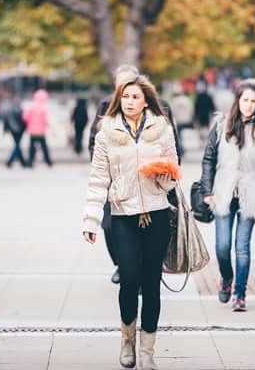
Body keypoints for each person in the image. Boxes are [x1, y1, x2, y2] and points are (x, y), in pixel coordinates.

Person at [82, 74, 178, 370]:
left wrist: (163, 177)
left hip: (157, 214)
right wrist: (91, 218)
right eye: (125, 97)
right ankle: (127, 339)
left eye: (136, 97)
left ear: (146, 100)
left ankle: (147, 351)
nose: (130, 102)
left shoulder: (162, 130)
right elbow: (98, 179)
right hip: (123, 215)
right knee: (129, 279)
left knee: (151, 284)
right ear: (118, 99)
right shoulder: (105, 134)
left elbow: (174, 170)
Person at [88, 64, 181, 285]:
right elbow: (94, 146)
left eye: (134, 93)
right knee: (110, 230)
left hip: (154, 198)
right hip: (120, 191)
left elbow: (172, 152)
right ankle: (123, 266)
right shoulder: (105, 111)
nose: (128, 99)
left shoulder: (162, 115)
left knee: (151, 277)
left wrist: (167, 176)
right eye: (122, 91)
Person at [199, 81, 255, 312]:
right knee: (222, 247)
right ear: (238, 101)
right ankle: (226, 278)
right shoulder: (221, 125)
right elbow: (208, 160)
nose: (249, 105)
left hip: (251, 193)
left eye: (254, 101)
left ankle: (240, 294)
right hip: (223, 193)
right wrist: (207, 190)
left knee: (242, 247)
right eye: (245, 100)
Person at [23, 88, 53, 167]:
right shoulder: (43, 108)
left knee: (32, 147)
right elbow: (45, 120)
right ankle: (48, 161)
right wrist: (49, 127)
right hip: (41, 131)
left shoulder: (31, 106)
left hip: (32, 130)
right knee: (44, 147)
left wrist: (29, 124)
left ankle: (30, 161)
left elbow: (25, 117)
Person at [3, 91, 27, 167]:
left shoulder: (8, 107)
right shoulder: (19, 108)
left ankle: (22, 162)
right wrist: (24, 127)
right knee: (17, 145)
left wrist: (6, 128)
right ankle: (10, 161)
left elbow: (6, 119)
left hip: (12, 128)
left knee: (17, 145)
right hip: (19, 129)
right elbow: (22, 119)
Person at [171, 91, 194, 159]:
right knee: (184, 135)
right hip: (186, 119)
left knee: (178, 135)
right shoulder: (187, 100)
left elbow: (172, 111)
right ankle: (182, 148)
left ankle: (181, 149)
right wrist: (190, 117)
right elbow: (191, 110)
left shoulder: (174, 101)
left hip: (178, 120)